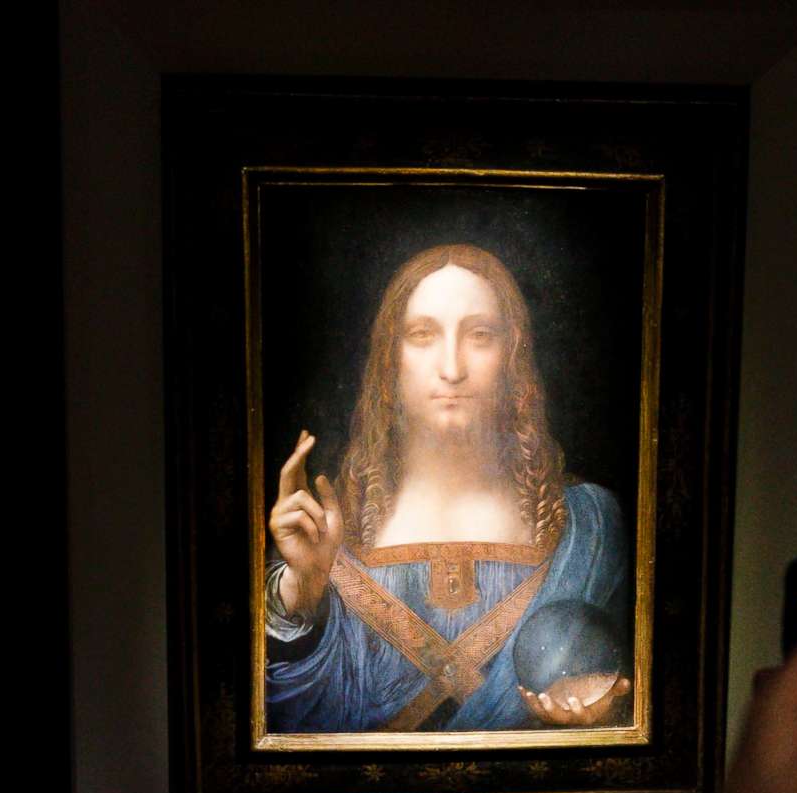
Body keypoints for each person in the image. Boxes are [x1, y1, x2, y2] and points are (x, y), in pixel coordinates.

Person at [263, 243, 632, 732]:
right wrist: (303, 590)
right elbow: (287, 716)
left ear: (513, 356)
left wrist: (605, 713)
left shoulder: (590, 525)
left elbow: (631, 697)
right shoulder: (328, 529)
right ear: (389, 359)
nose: (452, 368)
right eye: (422, 335)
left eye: (480, 335)